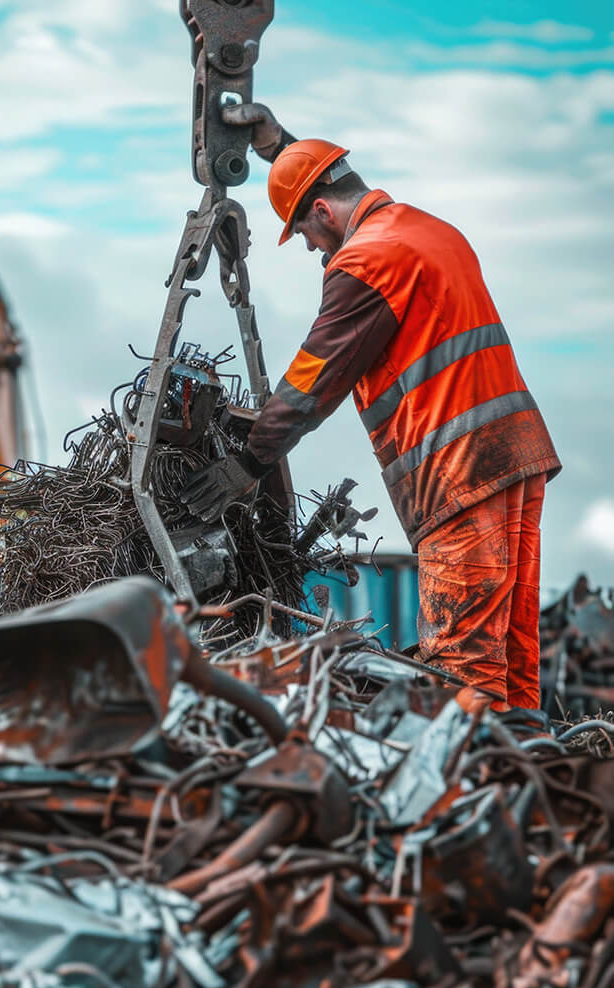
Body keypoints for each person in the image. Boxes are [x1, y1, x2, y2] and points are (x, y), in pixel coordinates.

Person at [180, 104, 561, 710]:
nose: (309, 248)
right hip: (515, 454)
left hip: (458, 469)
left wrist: (246, 466)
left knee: (463, 666)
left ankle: (470, 793)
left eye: (303, 232)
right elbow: (323, 179)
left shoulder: (366, 262)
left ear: (324, 213)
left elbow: (311, 384)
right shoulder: (425, 230)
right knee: (509, 657)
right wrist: (279, 147)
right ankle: (531, 785)